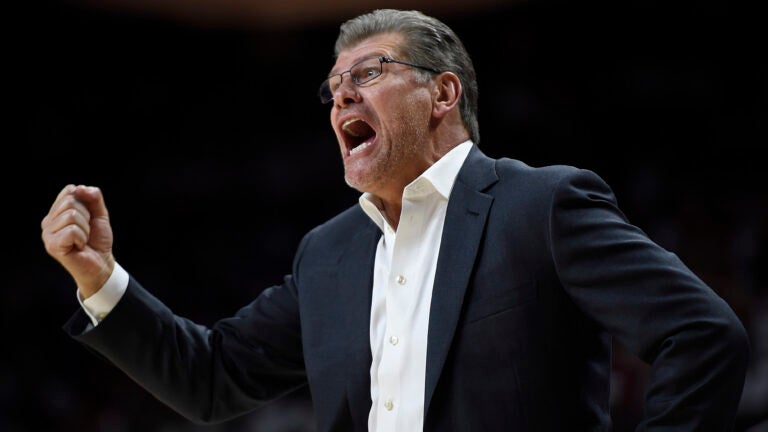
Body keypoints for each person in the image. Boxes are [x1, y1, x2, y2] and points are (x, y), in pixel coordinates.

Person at [41, 8, 750, 432]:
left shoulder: (541, 206)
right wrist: (99, 278)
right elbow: (210, 378)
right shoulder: (329, 254)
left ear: (443, 93)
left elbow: (702, 335)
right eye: (333, 87)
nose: (341, 98)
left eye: (368, 73)